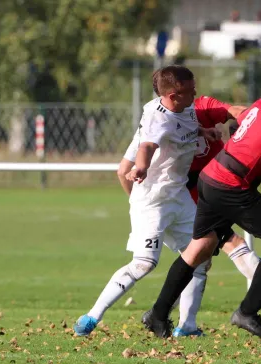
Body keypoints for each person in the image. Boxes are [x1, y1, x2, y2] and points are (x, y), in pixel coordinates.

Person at [136, 72, 261, 337]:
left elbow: (241, 128)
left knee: (199, 248)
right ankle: (247, 312)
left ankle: (157, 315)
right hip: (232, 186)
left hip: (211, 177)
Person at [73, 65, 215, 336]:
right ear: (173, 95)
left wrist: (202, 133)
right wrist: (141, 167)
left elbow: (180, 128)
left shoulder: (180, 107)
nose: (195, 93)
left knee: (201, 258)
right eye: (190, 90)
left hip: (180, 196)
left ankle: (188, 326)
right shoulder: (155, 118)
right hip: (153, 200)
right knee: (144, 263)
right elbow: (147, 145)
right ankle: (92, 317)